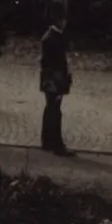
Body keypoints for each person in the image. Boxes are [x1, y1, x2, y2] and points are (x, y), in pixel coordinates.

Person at [39, 17, 74, 156]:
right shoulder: (53, 39)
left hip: (51, 80)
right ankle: (56, 144)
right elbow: (55, 64)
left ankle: (47, 141)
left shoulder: (51, 36)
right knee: (55, 111)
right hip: (55, 80)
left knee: (50, 110)